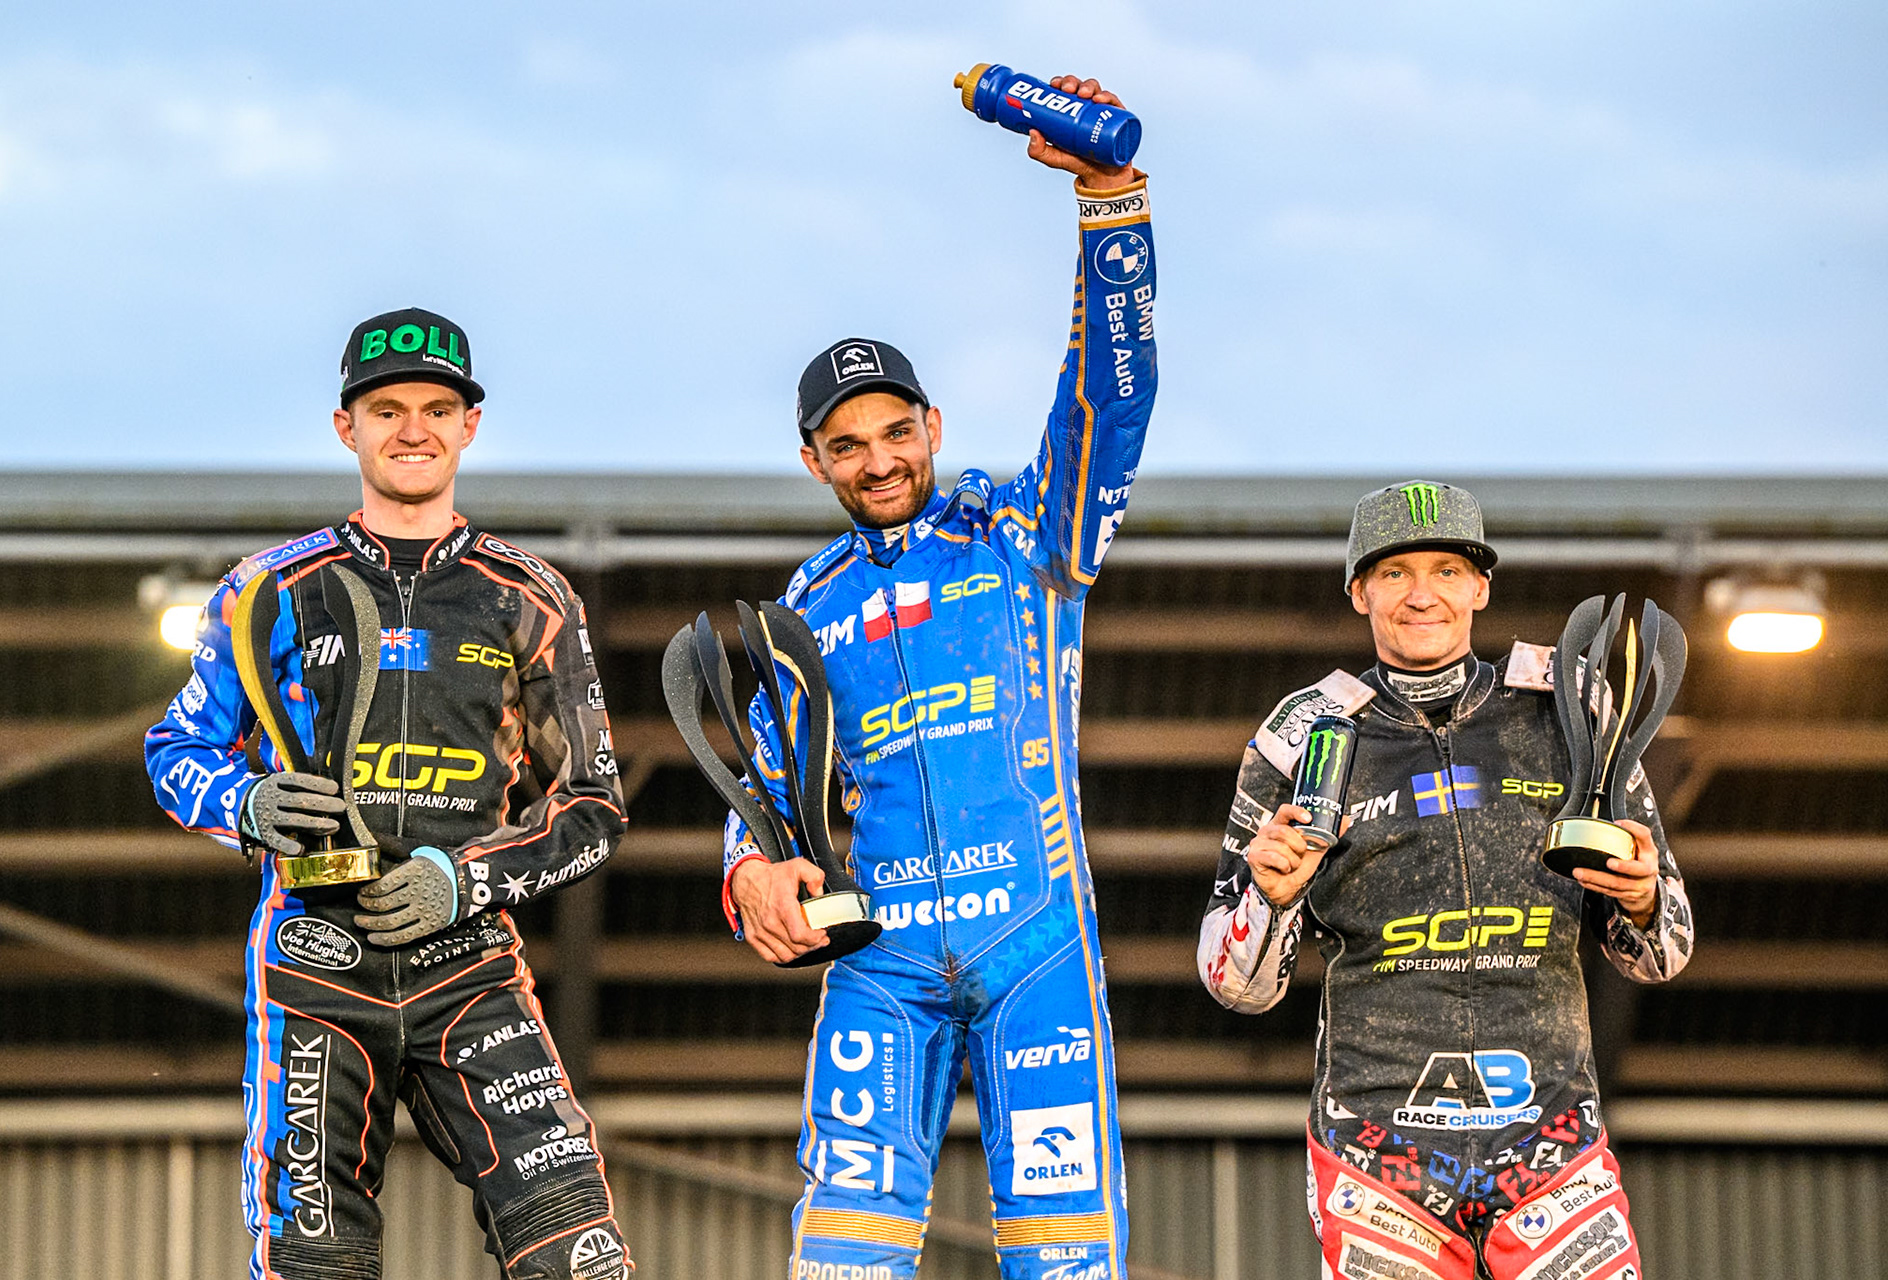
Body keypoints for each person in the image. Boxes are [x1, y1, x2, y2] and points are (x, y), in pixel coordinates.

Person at [720, 74, 1156, 1280]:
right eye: (847, 443)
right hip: (883, 960)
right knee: (842, 1257)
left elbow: (1112, 400)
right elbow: (762, 784)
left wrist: (1111, 204)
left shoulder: (1027, 532)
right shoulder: (806, 605)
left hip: (1037, 943)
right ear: (812, 460)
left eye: (896, 430)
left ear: (935, 424)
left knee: (1066, 1258)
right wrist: (750, 875)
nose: (878, 459)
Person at [145, 308, 631, 1280]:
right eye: (387, 409)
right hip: (313, 962)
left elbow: (593, 804)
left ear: (469, 426)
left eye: (436, 409)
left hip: (472, 967)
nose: (413, 429)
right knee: (316, 1265)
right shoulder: (269, 590)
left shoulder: (530, 594)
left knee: (580, 1255)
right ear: (347, 427)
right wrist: (246, 804)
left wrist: (464, 879)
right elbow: (175, 749)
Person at [1198, 480, 1694, 1280]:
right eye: (1394, 572)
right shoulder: (1302, 735)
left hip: (1551, 1144)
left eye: (1447, 570)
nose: (1422, 595)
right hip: (1376, 1152)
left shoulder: (1568, 711)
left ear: (1481, 587)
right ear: (1358, 591)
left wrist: (1640, 897)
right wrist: (1271, 898)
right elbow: (1235, 985)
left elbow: (1663, 954)